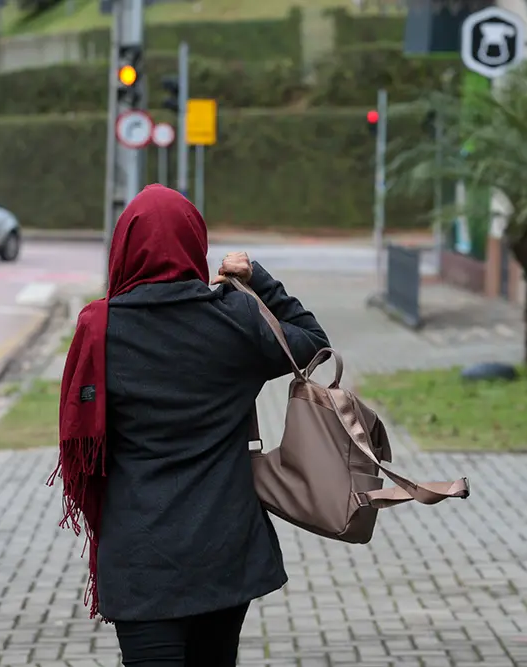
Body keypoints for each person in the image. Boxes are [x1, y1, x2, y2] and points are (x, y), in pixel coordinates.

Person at [50, 184, 330, 666]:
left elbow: (83, 441)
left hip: (141, 554)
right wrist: (257, 279)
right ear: (194, 245)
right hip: (224, 550)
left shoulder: (101, 328)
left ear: (124, 248)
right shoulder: (235, 317)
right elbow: (311, 341)